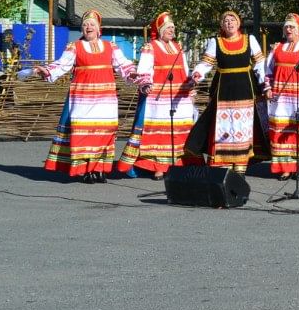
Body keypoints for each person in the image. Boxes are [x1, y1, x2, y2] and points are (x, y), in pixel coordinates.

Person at [37, 10, 137, 183]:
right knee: (85, 133)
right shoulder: (74, 46)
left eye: (92, 24)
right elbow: (61, 65)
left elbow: (124, 65)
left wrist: (133, 74)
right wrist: (47, 71)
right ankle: (85, 170)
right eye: (85, 25)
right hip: (83, 98)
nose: (88, 27)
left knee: (104, 132)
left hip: (105, 99)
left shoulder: (110, 47)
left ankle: (99, 169)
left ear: (99, 29)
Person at [183, 10, 268, 175]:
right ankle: (223, 165)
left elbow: (259, 63)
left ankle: (241, 166)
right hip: (223, 91)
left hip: (245, 89)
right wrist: (196, 75)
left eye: (232, 20)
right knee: (223, 126)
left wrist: (265, 83)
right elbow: (206, 63)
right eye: (225, 21)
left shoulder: (249, 40)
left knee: (244, 127)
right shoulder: (216, 42)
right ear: (222, 25)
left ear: (238, 23)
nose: (229, 23)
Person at [117, 11, 197, 180]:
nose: (171, 30)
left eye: (173, 27)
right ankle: (159, 167)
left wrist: (190, 85)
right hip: (158, 97)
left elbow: (185, 71)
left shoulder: (178, 47)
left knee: (179, 130)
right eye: (168, 27)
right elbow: (144, 70)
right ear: (160, 29)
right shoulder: (150, 47)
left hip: (178, 98)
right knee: (160, 131)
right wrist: (145, 84)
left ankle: (180, 164)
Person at [264, 13, 299, 180]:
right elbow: (268, 70)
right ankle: (285, 167)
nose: (288, 29)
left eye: (292, 27)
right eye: (286, 27)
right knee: (281, 131)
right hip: (281, 98)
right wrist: (268, 87)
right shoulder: (277, 48)